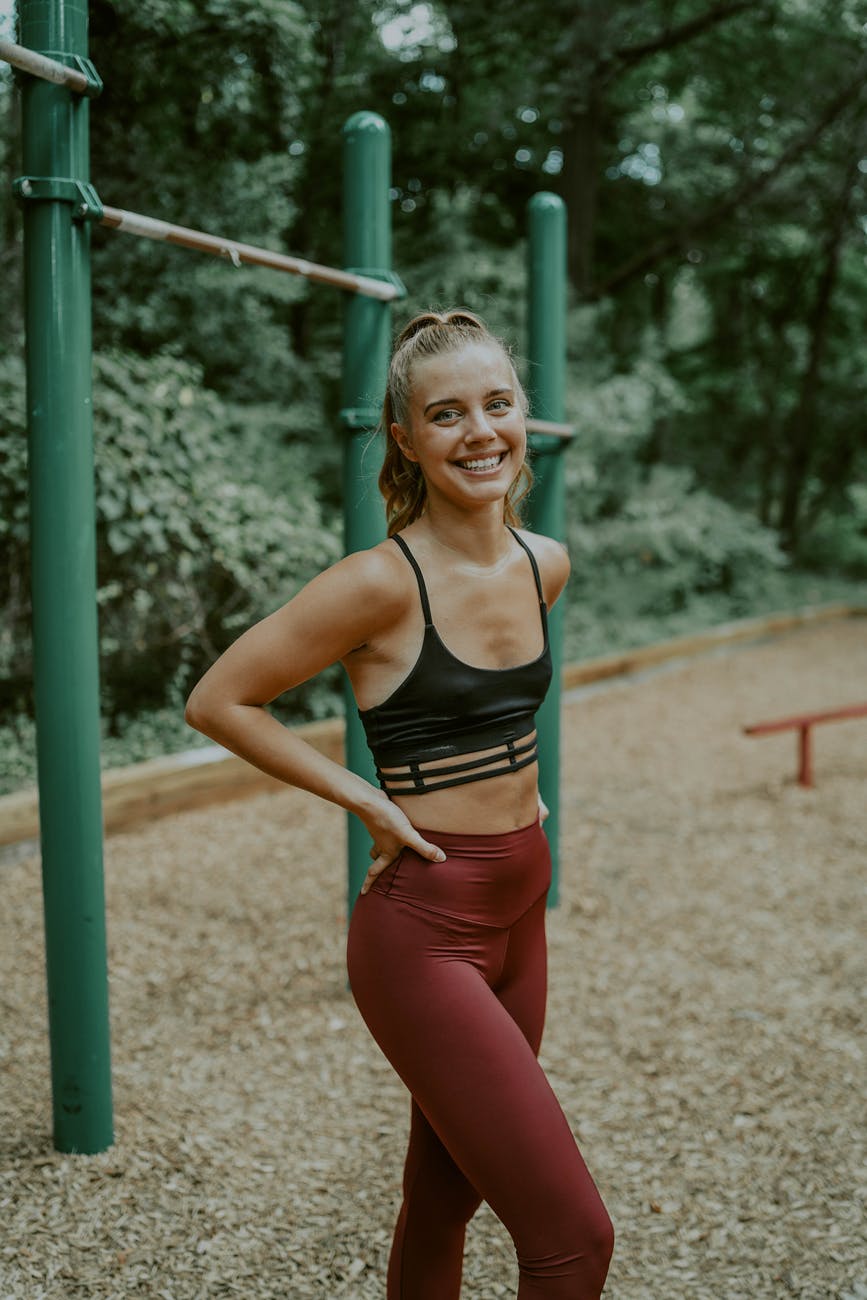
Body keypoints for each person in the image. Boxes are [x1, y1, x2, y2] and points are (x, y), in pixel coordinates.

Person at [184, 309, 614, 1299]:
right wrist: (368, 801)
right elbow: (219, 698)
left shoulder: (543, 561)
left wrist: (522, 789)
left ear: (525, 418)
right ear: (406, 439)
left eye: (498, 404)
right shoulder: (380, 583)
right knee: (574, 1241)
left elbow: (492, 704)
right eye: (447, 413)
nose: (480, 432)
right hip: (425, 932)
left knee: (445, 1199)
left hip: (521, 909)